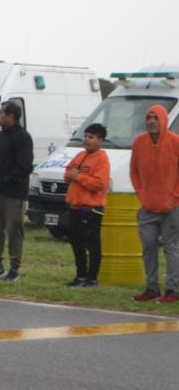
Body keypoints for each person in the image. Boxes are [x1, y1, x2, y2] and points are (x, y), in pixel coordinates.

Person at [130, 105, 179, 303]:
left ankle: (173, 289)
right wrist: (141, 194)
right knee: (148, 246)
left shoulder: (175, 142)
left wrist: (175, 195)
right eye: (149, 118)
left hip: (173, 206)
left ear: (164, 120)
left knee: (171, 247)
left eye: (155, 118)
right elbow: (134, 171)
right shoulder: (139, 142)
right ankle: (152, 287)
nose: (151, 121)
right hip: (148, 206)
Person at [0, 102, 33, 282]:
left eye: (1, 113)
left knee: (14, 230)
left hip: (13, 194)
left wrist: (7, 180)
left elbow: (25, 166)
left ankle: (14, 268)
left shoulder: (22, 137)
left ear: (11, 116)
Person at [64, 123, 109, 288]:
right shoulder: (80, 155)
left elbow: (99, 184)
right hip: (75, 207)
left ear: (100, 140)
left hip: (91, 209)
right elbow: (67, 173)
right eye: (86, 136)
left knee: (92, 244)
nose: (86, 140)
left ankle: (92, 278)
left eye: (91, 137)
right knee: (77, 243)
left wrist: (79, 177)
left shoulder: (102, 159)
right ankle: (80, 275)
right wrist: (72, 175)